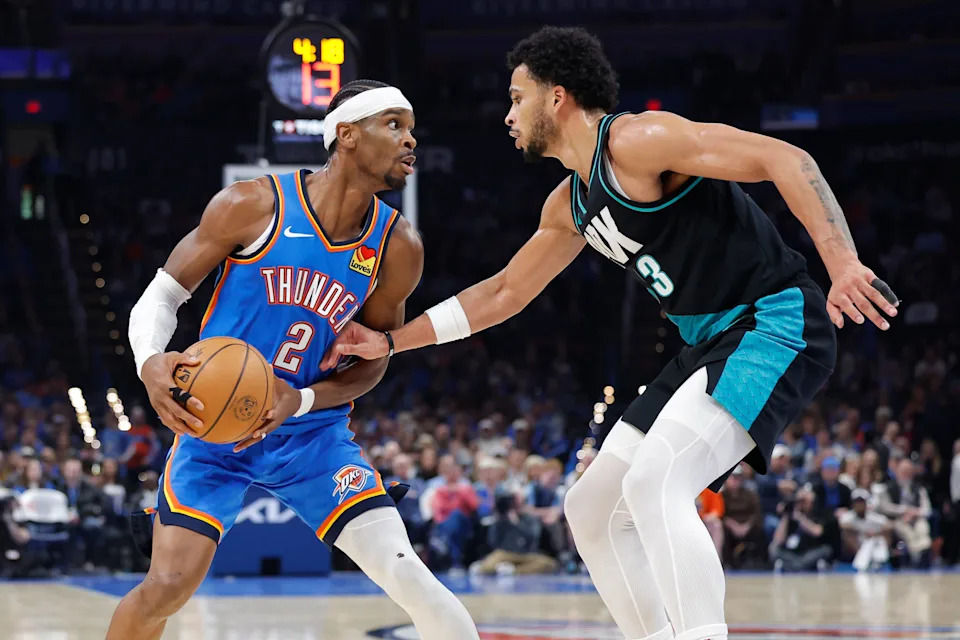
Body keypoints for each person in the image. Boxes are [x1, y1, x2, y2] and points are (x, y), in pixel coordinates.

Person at [322, 27, 900, 640]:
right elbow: (503, 293)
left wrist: (841, 264)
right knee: (591, 508)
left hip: (771, 318)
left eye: (518, 97)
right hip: (707, 341)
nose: (508, 113)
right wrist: (389, 342)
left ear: (557, 97)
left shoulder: (635, 140)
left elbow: (785, 159)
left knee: (657, 482)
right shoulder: (569, 203)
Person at [108, 80, 479, 640]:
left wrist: (300, 399)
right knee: (166, 588)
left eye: (412, 128)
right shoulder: (252, 205)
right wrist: (149, 362)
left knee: (409, 576)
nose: (411, 141)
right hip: (216, 430)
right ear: (347, 135)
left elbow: (374, 359)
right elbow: (162, 296)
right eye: (395, 125)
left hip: (313, 436)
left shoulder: (397, 246)